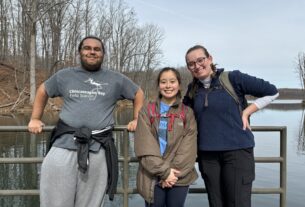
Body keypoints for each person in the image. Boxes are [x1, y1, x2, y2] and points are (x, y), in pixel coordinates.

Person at [27, 36, 144, 207]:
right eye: (87, 48)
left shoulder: (116, 79)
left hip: (98, 149)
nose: (92, 52)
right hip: (62, 146)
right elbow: (43, 90)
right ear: (80, 52)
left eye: (97, 49)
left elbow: (138, 93)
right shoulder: (65, 75)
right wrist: (35, 119)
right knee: (55, 201)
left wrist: (136, 118)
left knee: (90, 203)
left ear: (103, 54)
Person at [183, 45, 279, 207]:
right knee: (216, 203)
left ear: (210, 59)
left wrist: (248, 111)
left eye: (200, 60)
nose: (197, 66)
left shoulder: (233, 78)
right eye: (191, 64)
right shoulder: (192, 90)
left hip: (237, 153)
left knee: (237, 203)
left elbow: (273, 92)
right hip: (208, 157)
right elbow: (181, 116)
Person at [134, 67, 198, 207]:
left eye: (172, 81)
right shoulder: (146, 111)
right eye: (163, 82)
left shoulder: (187, 113)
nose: (168, 86)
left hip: (178, 176)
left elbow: (188, 148)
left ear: (179, 84)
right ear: (158, 85)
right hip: (152, 174)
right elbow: (144, 147)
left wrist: (171, 175)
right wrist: (164, 172)